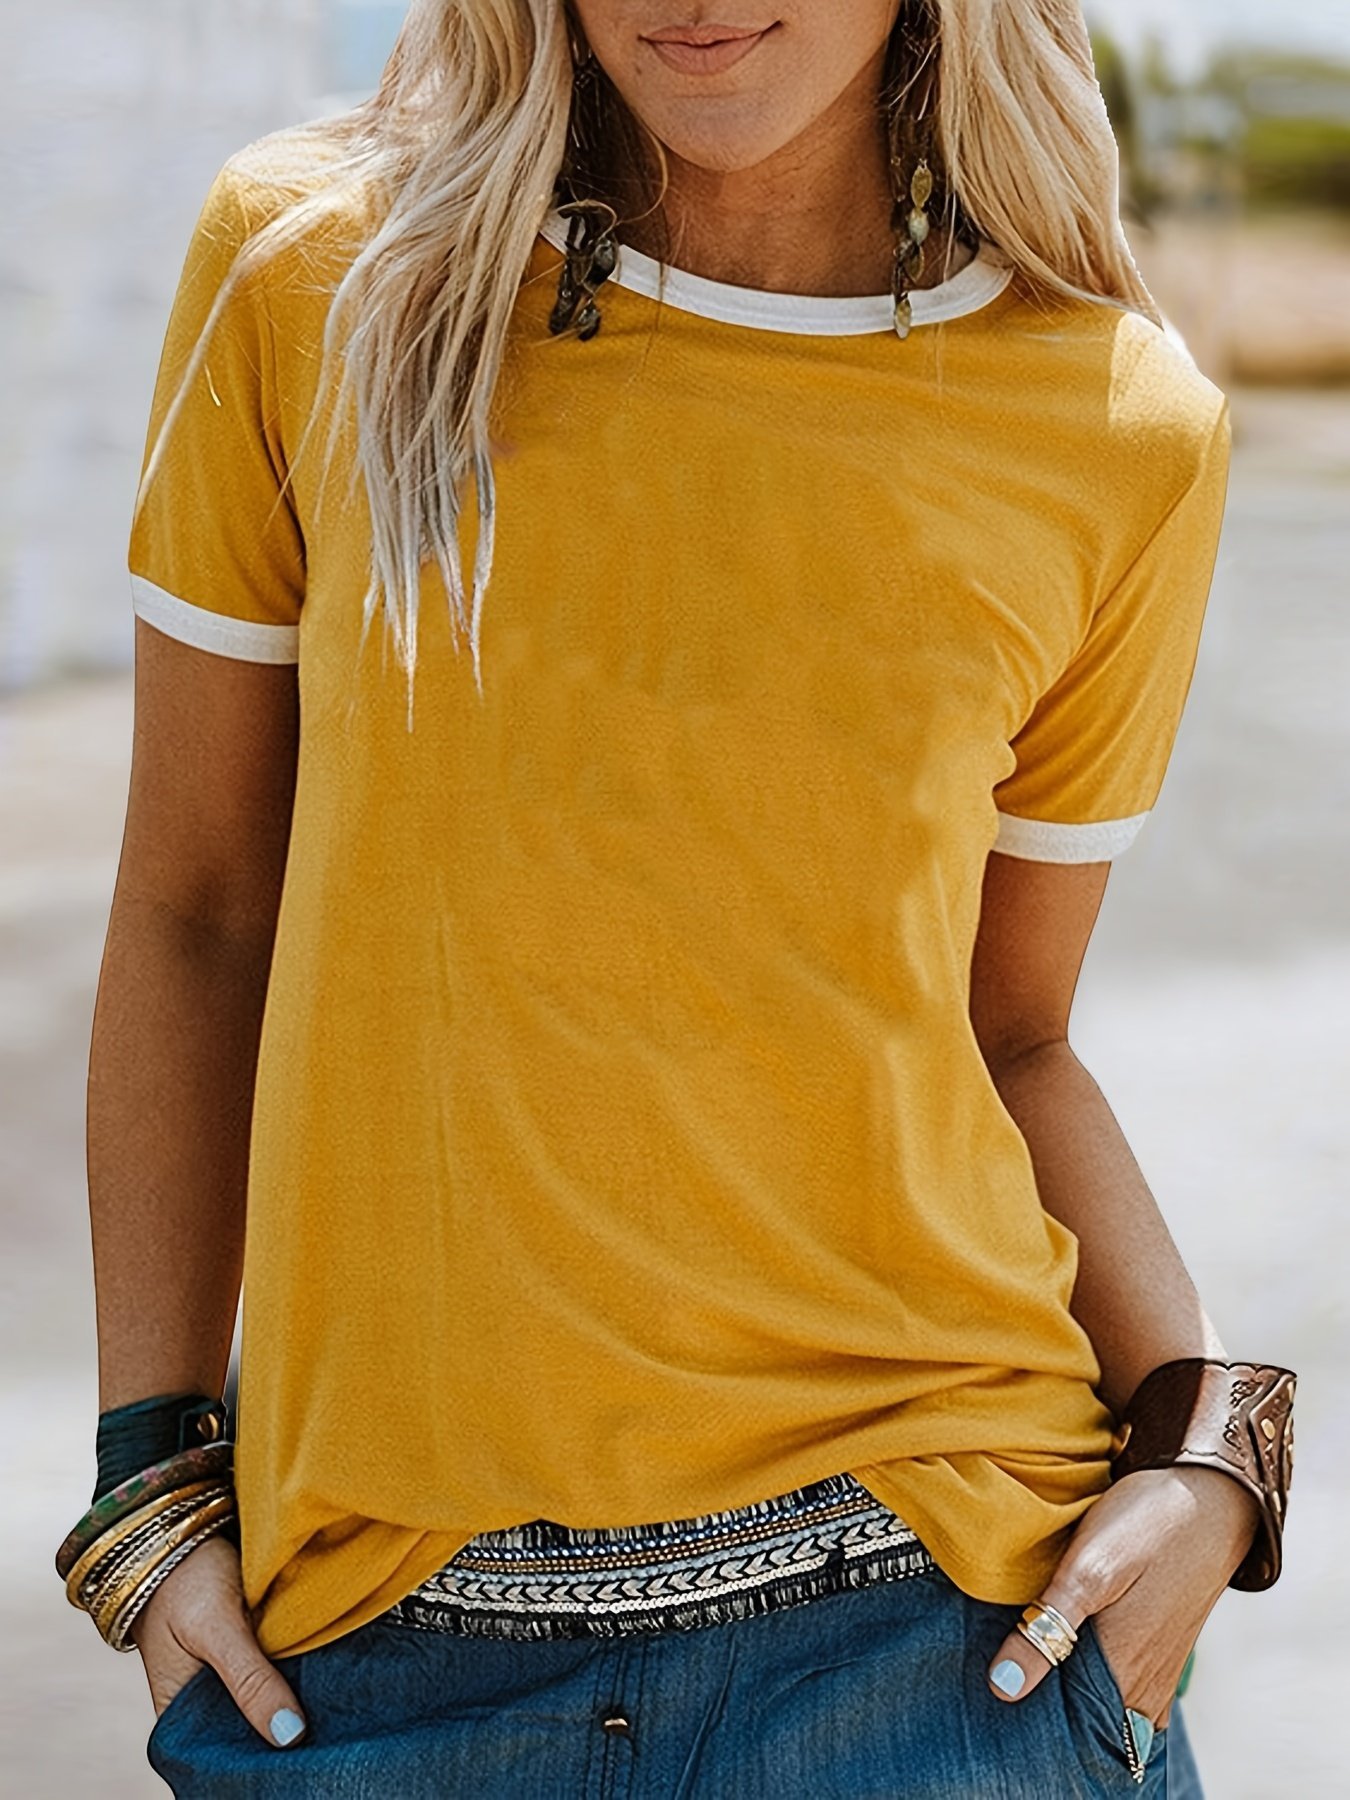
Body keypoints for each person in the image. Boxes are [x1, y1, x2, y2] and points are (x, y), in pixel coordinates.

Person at [57, 3, 1297, 1795]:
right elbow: (197, 912)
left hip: (940, 1638)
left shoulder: (1115, 426)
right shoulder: (320, 275)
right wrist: (148, 1479)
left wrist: (1213, 1444)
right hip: (376, 1669)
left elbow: (1008, 1031)